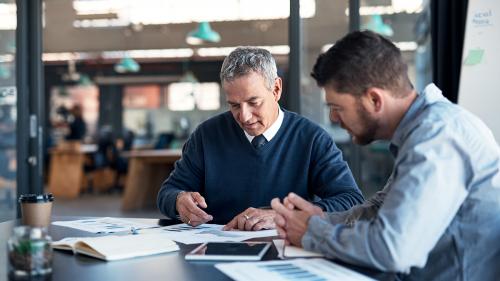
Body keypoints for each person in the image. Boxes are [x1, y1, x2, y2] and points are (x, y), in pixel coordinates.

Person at [271, 30, 500, 280]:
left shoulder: (438, 137)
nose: (334, 119)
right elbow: (381, 208)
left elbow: (394, 249)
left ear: (374, 100)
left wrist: (312, 232)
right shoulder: (421, 130)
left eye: (337, 108)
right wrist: (322, 218)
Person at [157, 47, 364, 230]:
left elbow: (351, 201)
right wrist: (178, 201)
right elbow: (168, 192)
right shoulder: (206, 135)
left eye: (253, 102)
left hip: (284, 251)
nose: (244, 116)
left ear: (276, 90)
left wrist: (286, 217)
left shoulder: (311, 139)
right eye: (234, 105)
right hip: (215, 250)